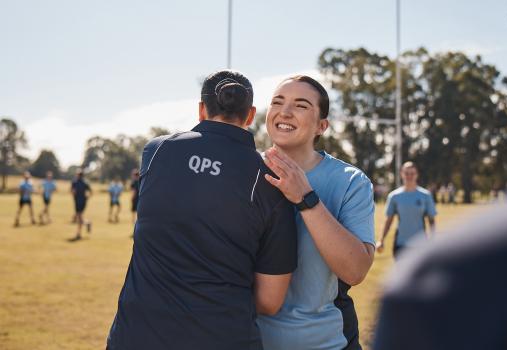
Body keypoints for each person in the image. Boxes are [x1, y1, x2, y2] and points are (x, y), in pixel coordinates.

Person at [373, 0, 507, 348]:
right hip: (402, 247)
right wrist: (385, 239)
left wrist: (432, 246)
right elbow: (390, 220)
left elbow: (432, 221)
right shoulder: (401, 205)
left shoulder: (447, 284)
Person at [107, 70, 298, 350]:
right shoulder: (270, 178)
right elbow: (269, 301)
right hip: (222, 337)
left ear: (201, 109)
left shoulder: (157, 151)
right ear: (250, 115)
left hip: (135, 335)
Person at [257, 75, 376, 350]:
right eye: (278, 102)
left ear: (321, 126)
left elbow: (356, 270)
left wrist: (306, 199)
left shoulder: (350, 181)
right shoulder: (244, 171)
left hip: (326, 343)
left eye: (300, 105)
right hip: (251, 341)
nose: (284, 112)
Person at [376, 162, 437, 258]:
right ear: (402, 174)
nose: (409, 176)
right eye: (406, 173)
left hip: (420, 244)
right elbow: (389, 221)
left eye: (412, 173)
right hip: (400, 245)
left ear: (417, 174)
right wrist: (381, 240)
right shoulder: (394, 196)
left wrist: (433, 239)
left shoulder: (425, 195)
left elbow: (431, 221)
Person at [70, 169, 92, 241]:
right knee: (79, 217)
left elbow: (90, 191)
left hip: (81, 202)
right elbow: (72, 191)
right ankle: (87, 223)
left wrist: (86, 198)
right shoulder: (75, 182)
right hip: (78, 202)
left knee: (79, 217)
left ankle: (78, 233)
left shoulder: (83, 182)